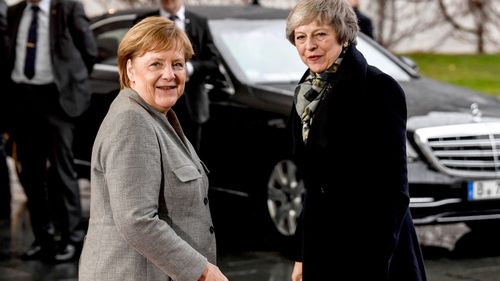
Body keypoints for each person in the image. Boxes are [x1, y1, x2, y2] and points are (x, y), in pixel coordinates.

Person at [78, 17, 228, 281]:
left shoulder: (156, 115)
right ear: (131, 70)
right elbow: (137, 220)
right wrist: (202, 272)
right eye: (156, 64)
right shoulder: (132, 121)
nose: (169, 74)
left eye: (177, 64)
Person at [285, 0, 426, 280]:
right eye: (301, 37)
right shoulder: (306, 92)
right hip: (324, 248)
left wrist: (374, 264)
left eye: (320, 34)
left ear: (343, 35)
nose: (309, 45)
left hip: (374, 253)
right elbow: (314, 186)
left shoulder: (378, 88)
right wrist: (302, 255)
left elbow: (393, 191)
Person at [6, 0, 97, 262]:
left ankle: (71, 239)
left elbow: (89, 51)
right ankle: (42, 238)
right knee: (30, 173)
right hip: (23, 99)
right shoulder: (16, 11)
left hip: (56, 101)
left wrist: (71, 83)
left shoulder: (68, 8)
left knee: (61, 170)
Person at [135, 0, 220, 152]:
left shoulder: (199, 22)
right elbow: (134, 59)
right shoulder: (144, 22)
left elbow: (214, 62)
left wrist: (189, 68)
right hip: (154, 102)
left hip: (191, 104)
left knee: (189, 155)